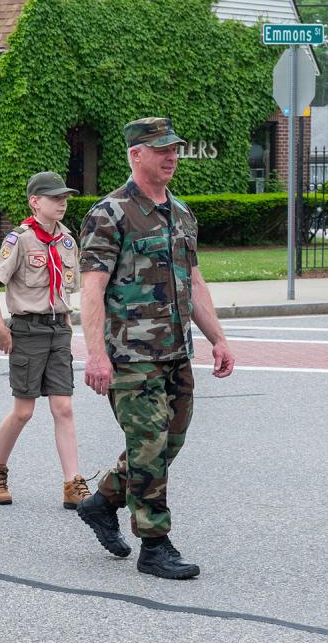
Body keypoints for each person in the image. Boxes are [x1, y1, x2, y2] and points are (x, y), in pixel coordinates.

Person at [76, 117, 236, 580]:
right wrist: (96, 354)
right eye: (161, 149)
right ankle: (155, 544)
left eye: (174, 149)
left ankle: (103, 500)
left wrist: (218, 337)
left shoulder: (181, 214)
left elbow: (194, 281)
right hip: (131, 356)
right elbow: (91, 289)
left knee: (169, 443)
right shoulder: (110, 214)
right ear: (135, 155)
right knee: (148, 445)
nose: (171, 157)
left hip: (176, 352)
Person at [0, 172, 91, 509]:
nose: (62, 202)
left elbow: (73, 286)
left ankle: (73, 483)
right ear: (35, 201)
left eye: (64, 197)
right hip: (27, 330)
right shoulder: (20, 240)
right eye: (54, 197)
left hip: (59, 329)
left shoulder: (68, 241)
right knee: (24, 411)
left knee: (64, 407)